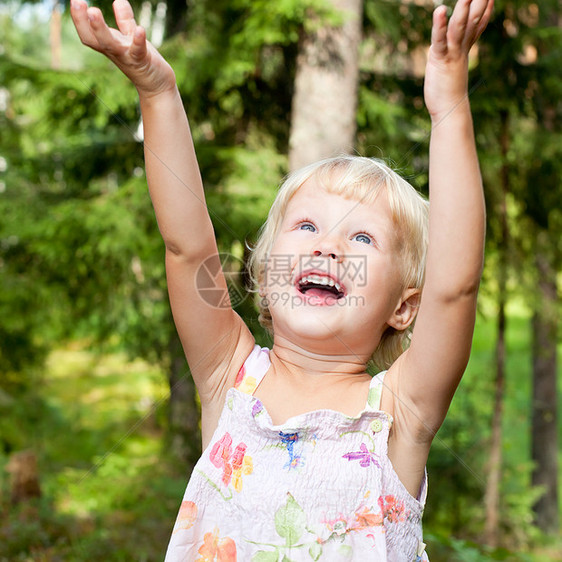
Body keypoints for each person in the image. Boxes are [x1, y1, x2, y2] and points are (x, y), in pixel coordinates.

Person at [70, 0, 493, 559]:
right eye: (307, 226)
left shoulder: (398, 411)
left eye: (362, 239)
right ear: (265, 278)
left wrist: (450, 110)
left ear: (404, 308)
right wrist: (156, 92)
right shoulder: (229, 378)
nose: (328, 245)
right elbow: (185, 244)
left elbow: (454, 285)